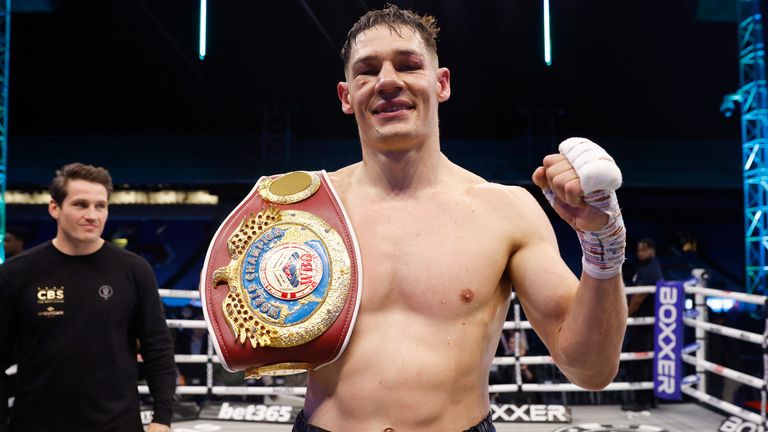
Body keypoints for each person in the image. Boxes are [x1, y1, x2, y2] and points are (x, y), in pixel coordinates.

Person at [286, 5, 629, 431]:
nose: (388, 81)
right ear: (345, 95)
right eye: (367, 70)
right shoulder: (307, 209)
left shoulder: (505, 211)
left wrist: (604, 243)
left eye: (409, 65)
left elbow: (591, 370)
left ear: (441, 83)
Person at [0, 163, 177, 432]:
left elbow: (158, 348)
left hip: (117, 425)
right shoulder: (15, 274)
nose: (92, 215)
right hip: (36, 424)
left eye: (100, 206)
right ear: (54, 208)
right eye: (81, 205)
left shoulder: (134, 270)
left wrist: (162, 418)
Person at [623, 237, 664, 412]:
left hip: (644, 321)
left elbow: (639, 298)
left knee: (639, 360)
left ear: (652, 250)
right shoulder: (644, 268)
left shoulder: (651, 269)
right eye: (639, 250)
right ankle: (649, 399)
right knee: (643, 360)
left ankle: (642, 401)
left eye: (644, 249)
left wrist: (625, 316)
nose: (641, 253)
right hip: (644, 321)